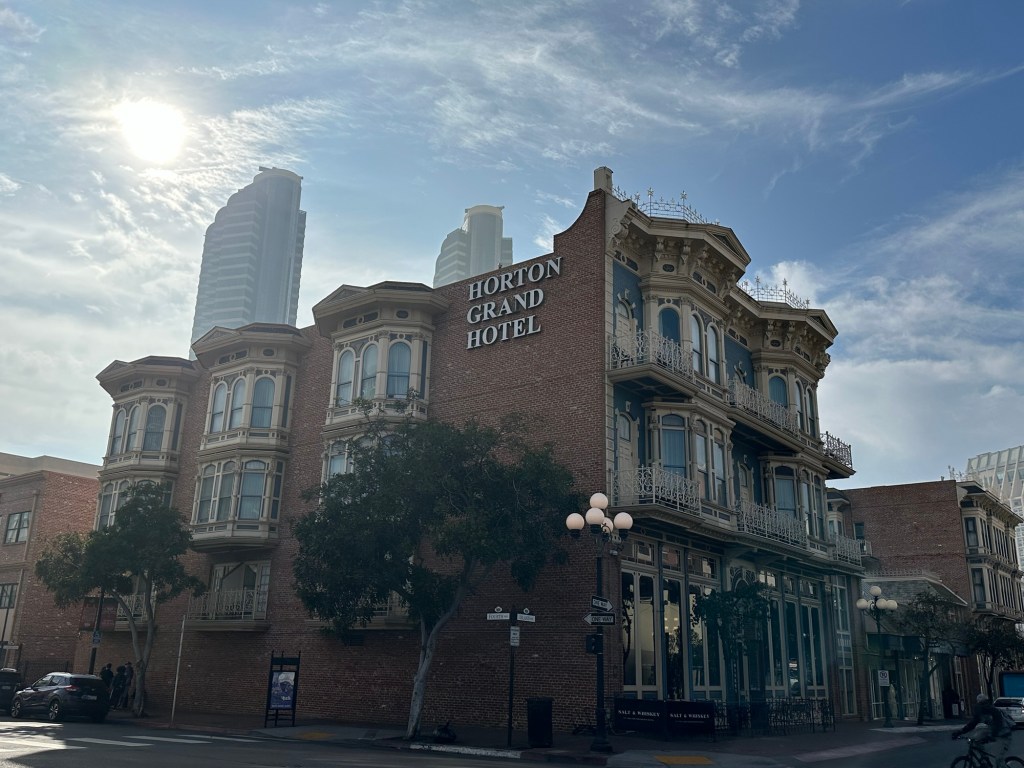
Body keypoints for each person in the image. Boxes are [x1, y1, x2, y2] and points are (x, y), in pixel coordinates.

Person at [952, 693, 1015, 767]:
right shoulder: (980, 711)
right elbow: (971, 724)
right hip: (991, 730)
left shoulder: (994, 711)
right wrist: (960, 732)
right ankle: (984, 759)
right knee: (975, 739)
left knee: (999, 759)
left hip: (1004, 735)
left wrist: (990, 736)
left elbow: (998, 725)